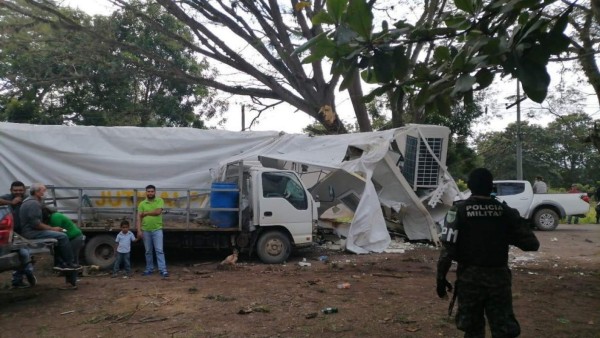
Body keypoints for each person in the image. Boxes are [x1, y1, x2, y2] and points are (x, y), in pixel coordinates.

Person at [436, 168, 540, 338]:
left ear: (469, 186)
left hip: (470, 280)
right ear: (491, 187)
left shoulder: (457, 212)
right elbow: (531, 244)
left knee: (473, 329)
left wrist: (440, 279)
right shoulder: (506, 212)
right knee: (503, 329)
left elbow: (447, 251)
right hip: (498, 280)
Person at [19, 183, 80, 271]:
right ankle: (68, 263)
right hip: (31, 233)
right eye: (44, 190)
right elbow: (36, 224)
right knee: (62, 236)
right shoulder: (33, 204)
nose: (46, 192)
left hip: (32, 231)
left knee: (59, 235)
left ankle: (60, 262)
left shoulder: (36, 201)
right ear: (37, 192)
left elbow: (48, 209)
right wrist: (52, 228)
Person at [0, 181, 36, 288]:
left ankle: (19, 279)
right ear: (11, 191)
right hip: (10, 233)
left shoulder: (28, 198)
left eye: (20, 190)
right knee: (23, 254)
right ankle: (24, 275)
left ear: (24, 190)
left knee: (24, 254)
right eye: (15, 190)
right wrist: (11, 202)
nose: (18, 192)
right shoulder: (8, 197)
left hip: (24, 232)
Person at [137, 184, 169, 277]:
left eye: (152, 191)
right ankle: (149, 269)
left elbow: (158, 212)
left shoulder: (159, 200)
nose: (150, 193)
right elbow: (139, 218)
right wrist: (139, 230)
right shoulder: (142, 203)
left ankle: (163, 270)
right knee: (148, 251)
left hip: (157, 230)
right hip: (145, 230)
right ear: (146, 192)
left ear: (155, 192)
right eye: (148, 191)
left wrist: (146, 213)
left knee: (159, 250)